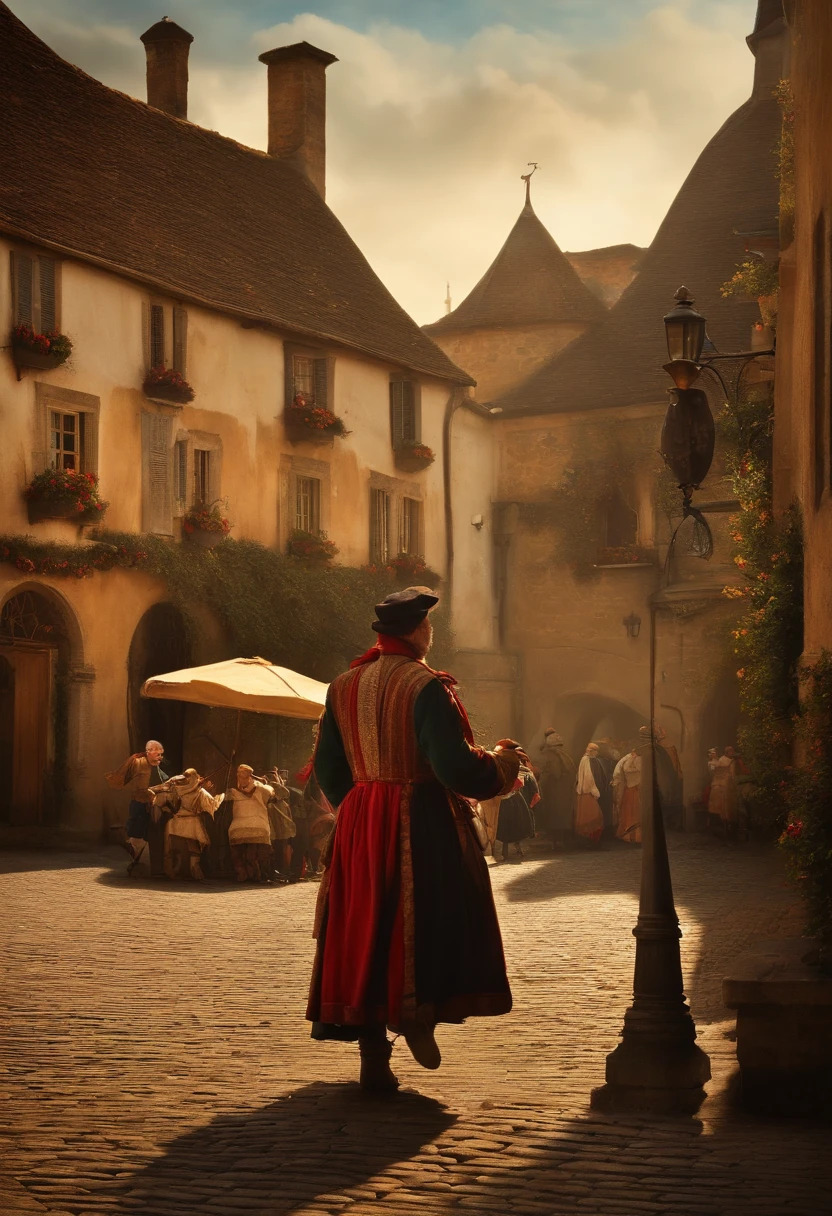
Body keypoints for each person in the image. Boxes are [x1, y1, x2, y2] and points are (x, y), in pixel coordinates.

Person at [307, 586, 522, 1092]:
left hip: (360, 821)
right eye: (429, 628)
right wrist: (504, 765)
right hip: (419, 819)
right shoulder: (426, 685)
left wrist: (360, 807)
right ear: (420, 631)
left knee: (365, 930)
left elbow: (327, 769)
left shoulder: (342, 685)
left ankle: (373, 1062)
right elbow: (453, 766)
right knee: (427, 919)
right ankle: (417, 1013)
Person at [105, 740, 168, 876]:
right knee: (137, 834)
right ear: (148, 752)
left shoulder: (157, 767)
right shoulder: (137, 763)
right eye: (157, 754)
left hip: (153, 804)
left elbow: (166, 781)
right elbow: (124, 781)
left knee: (150, 833)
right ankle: (135, 858)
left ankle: (144, 865)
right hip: (139, 803)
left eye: (161, 754)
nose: (160, 757)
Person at [149, 768, 224, 881]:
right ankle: (190, 869)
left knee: (174, 849)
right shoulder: (198, 791)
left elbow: (160, 800)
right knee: (191, 848)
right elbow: (212, 804)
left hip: (176, 823)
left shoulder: (176, 789)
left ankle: (177, 871)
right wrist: (215, 793)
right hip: (191, 822)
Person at [225, 764, 275, 882]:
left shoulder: (232, 791)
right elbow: (273, 793)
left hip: (237, 828)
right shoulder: (261, 788)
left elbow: (221, 800)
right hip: (259, 826)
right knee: (252, 853)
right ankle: (256, 874)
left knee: (237, 852)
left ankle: (242, 873)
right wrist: (263, 781)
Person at [536, 729, 576, 847]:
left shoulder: (548, 755)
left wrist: (539, 785)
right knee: (562, 815)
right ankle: (561, 840)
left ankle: (555, 841)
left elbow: (550, 773)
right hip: (564, 790)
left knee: (553, 815)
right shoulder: (566, 756)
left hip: (553, 791)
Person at [495, 756, 539, 861]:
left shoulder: (502, 772)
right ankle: (514, 849)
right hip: (512, 800)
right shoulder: (510, 771)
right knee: (512, 825)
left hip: (507, 801)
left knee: (509, 825)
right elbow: (519, 784)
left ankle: (508, 851)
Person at [708, 746, 749, 836]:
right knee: (723, 809)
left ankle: (732, 829)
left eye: (733, 751)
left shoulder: (733, 761)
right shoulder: (722, 760)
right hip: (722, 787)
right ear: (726, 752)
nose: (732, 752)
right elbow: (719, 772)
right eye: (730, 751)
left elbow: (735, 773)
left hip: (730, 787)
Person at [654, 724, 684, 831]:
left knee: (668, 798)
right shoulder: (657, 748)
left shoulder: (668, 748)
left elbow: (673, 765)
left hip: (667, 777)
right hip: (662, 777)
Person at [575, 744, 605, 845]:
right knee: (593, 817)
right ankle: (590, 841)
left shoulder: (587, 760)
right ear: (591, 751)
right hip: (588, 792)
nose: (597, 753)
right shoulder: (586, 760)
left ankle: (589, 841)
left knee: (588, 817)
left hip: (584, 792)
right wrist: (595, 791)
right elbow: (588, 778)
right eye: (595, 751)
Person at [612, 745, 643, 844]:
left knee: (634, 813)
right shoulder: (629, 759)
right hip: (632, 790)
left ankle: (633, 836)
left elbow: (618, 773)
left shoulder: (628, 759)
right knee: (631, 813)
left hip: (634, 789)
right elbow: (622, 772)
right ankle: (631, 836)